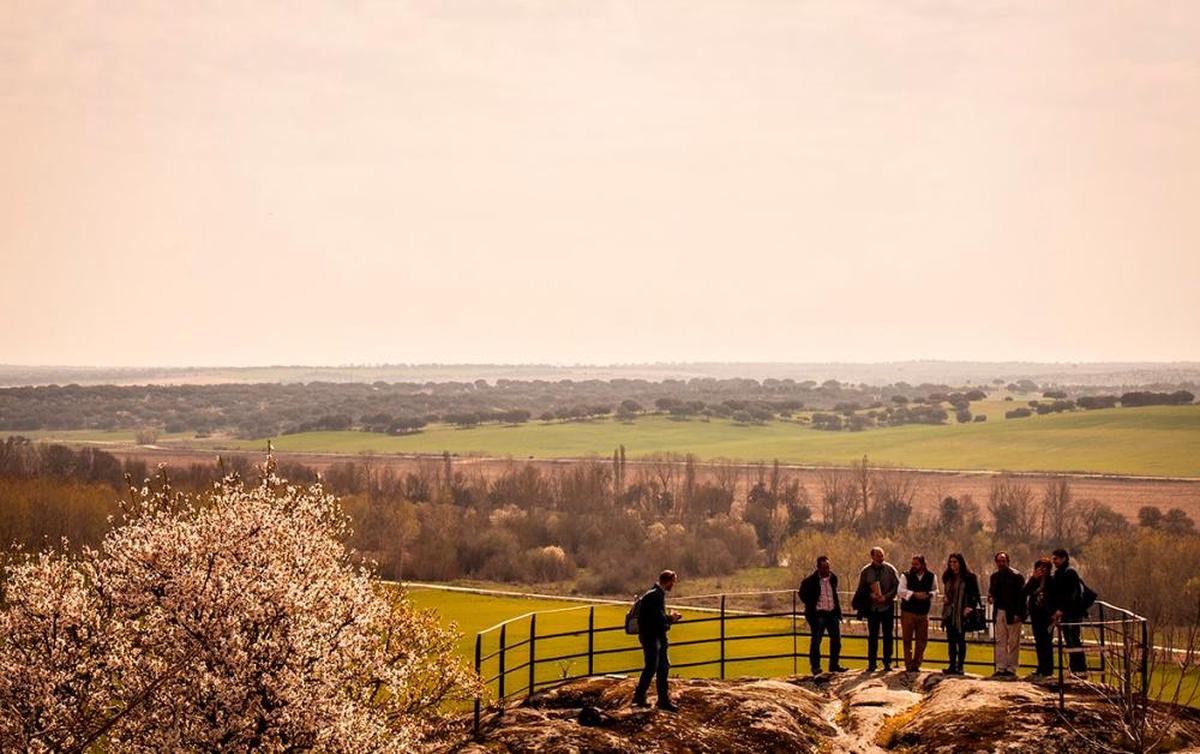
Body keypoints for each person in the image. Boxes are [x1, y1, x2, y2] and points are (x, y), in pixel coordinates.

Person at [633, 570, 683, 711]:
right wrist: (671, 618)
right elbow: (657, 619)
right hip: (653, 637)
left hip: (653, 636)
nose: (673, 584)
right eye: (673, 581)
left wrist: (667, 619)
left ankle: (655, 698)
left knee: (661, 667)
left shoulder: (654, 594)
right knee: (654, 667)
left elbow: (654, 617)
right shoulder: (656, 596)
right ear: (668, 581)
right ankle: (644, 697)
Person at [798, 556, 848, 675]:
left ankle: (834, 665)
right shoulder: (809, 581)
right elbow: (802, 594)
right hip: (818, 614)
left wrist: (837, 612)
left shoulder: (833, 578)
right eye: (824, 567)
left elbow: (834, 595)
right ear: (818, 568)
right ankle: (816, 667)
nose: (827, 570)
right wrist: (813, 605)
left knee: (836, 640)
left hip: (832, 613)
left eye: (828, 567)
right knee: (816, 641)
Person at [856, 547, 900, 672]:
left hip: (887, 606)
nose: (881, 558)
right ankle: (872, 663)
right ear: (872, 557)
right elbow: (862, 588)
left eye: (882, 555)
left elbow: (896, 586)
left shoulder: (890, 570)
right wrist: (871, 595)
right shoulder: (866, 571)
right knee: (873, 636)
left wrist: (886, 597)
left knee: (888, 636)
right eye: (878, 556)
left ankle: (887, 662)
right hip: (872, 608)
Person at [941, 552, 981, 676]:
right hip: (949, 612)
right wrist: (946, 599)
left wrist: (970, 607)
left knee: (960, 639)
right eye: (951, 562)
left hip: (962, 613)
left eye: (955, 562)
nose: (953, 564)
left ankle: (960, 666)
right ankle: (952, 665)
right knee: (951, 640)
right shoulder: (947, 576)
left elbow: (975, 595)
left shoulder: (969, 577)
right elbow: (947, 592)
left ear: (960, 563)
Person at [1049, 548, 1088, 676]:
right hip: (1067, 612)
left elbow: (1071, 594)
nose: (1054, 561)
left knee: (1073, 639)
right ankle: (1075, 668)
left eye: (1056, 558)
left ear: (1063, 558)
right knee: (1069, 640)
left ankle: (1080, 669)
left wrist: (1061, 609)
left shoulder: (1069, 573)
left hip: (1072, 612)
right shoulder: (1061, 573)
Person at [988, 551, 1025, 679]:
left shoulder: (1016, 576)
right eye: (999, 561)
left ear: (1008, 561)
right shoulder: (994, 577)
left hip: (1013, 612)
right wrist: (991, 597)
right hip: (999, 611)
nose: (1001, 563)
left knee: (1014, 641)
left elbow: (1022, 597)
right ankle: (1001, 667)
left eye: (1003, 561)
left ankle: (1012, 668)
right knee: (1000, 640)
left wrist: (1019, 614)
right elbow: (992, 593)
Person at [898, 553, 937, 672]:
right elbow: (900, 591)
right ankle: (908, 664)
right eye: (912, 564)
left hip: (923, 612)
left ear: (922, 564)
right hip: (908, 611)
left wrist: (928, 595)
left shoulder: (931, 576)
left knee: (922, 640)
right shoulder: (906, 575)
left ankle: (917, 664)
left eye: (916, 564)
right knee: (907, 639)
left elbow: (936, 590)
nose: (914, 566)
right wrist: (914, 594)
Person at [1023, 557, 1055, 680]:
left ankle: (1048, 670)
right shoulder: (1034, 581)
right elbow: (1024, 592)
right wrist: (1033, 578)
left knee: (1047, 642)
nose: (1042, 570)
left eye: (1045, 568)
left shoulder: (1052, 581)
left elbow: (1054, 597)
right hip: (1036, 615)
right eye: (1040, 568)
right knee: (1039, 642)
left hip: (1047, 616)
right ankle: (1041, 667)